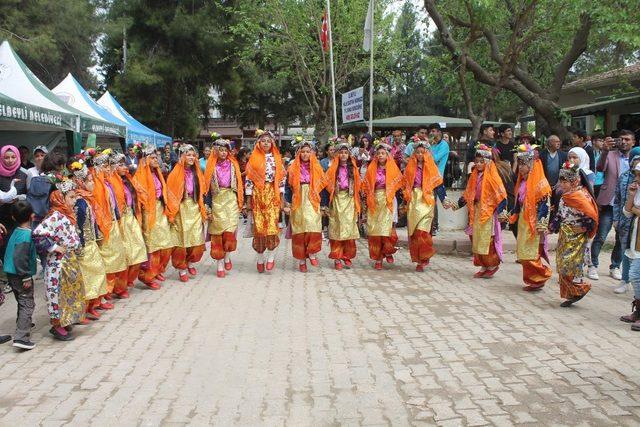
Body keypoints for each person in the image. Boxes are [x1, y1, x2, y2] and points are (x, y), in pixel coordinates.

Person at [33, 177, 86, 341]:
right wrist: (55, 248)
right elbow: (38, 234)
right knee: (57, 292)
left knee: (70, 291)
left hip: (69, 261)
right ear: (60, 198)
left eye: (74, 196)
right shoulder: (55, 217)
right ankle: (57, 325)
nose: (74, 200)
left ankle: (66, 319)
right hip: (58, 263)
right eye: (71, 197)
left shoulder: (67, 214)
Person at [452, 144, 507, 278]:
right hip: (476, 210)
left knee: (487, 239)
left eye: (481, 161)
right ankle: (483, 265)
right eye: (476, 161)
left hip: (488, 212)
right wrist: (457, 204)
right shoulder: (474, 176)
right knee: (476, 239)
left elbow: (501, 195)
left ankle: (492, 264)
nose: (478, 164)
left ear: (488, 162)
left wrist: (501, 211)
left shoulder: (493, 176)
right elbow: (468, 193)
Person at [548, 162, 598, 307]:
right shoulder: (565, 196)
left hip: (576, 237)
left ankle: (578, 290)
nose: (562, 184)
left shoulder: (581, 196)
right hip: (565, 235)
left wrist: (583, 228)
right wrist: (551, 228)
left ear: (574, 181)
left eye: (565, 182)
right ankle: (570, 294)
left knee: (571, 265)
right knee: (562, 263)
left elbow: (591, 217)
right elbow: (559, 214)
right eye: (561, 181)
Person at [589, 130, 634, 281]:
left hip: (626, 205)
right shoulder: (610, 154)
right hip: (609, 202)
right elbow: (600, 167)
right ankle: (593, 265)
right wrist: (605, 151)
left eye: (627, 139)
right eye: (621, 139)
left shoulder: (636, 159)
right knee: (601, 236)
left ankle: (615, 266)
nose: (624, 142)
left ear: (633, 142)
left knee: (621, 239)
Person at [507, 144, 552, 291]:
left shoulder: (541, 183)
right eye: (519, 164)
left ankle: (539, 277)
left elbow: (545, 204)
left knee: (531, 252)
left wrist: (541, 222)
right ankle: (532, 279)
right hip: (523, 221)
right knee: (523, 252)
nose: (520, 167)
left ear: (531, 164)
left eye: (524, 164)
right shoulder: (522, 182)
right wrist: (513, 214)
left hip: (533, 222)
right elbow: (519, 201)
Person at [69, 160, 108, 320]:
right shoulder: (78, 202)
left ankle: (93, 305)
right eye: (89, 181)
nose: (93, 183)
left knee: (97, 273)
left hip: (91, 242)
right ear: (80, 182)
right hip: (83, 245)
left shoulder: (87, 199)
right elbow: (77, 226)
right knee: (85, 278)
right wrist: (80, 245)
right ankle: (81, 311)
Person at [245, 130, 286, 272]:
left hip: (273, 194)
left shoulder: (277, 159)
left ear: (272, 143)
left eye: (268, 141)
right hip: (258, 195)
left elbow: (281, 179)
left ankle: (271, 257)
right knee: (259, 229)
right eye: (263, 141)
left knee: (272, 228)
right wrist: (248, 199)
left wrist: (281, 198)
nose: (266, 143)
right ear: (258, 143)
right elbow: (249, 179)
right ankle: (260, 257)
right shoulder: (253, 158)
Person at [402, 142, 447, 271]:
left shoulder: (432, 168)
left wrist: (444, 199)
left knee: (423, 231)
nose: (420, 155)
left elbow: (438, 185)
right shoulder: (410, 168)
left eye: (422, 152)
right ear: (414, 153)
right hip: (414, 201)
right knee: (415, 233)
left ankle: (424, 257)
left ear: (427, 153)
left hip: (427, 200)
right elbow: (404, 185)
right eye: (418, 152)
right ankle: (418, 260)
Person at [203, 139, 244, 278]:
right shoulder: (210, 166)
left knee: (229, 232)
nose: (223, 153)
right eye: (221, 150)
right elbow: (206, 188)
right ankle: (220, 264)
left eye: (225, 150)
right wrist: (207, 205)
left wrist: (241, 202)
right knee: (217, 234)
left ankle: (227, 255)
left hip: (231, 200)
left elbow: (239, 184)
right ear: (216, 151)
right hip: (217, 200)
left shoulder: (234, 165)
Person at [166, 144, 207, 282]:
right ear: (182, 156)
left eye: (193, 155)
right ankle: (181, 268)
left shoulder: (197, 172)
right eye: (188, 155)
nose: (191, 157)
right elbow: (170, 195)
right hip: (181, 210)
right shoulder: (174, 174)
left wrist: (203, 208)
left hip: (194, 208)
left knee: (196, 239)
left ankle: (190, 262)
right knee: (181, 241)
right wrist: (172, 213)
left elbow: (202, 192)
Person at [284, 140, 326, 272]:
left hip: (313, 199)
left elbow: (323, 187)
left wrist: (324, 205)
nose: (305, 154)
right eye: (303, 151)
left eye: (308, 151)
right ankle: (302, 260)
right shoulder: (292, 168)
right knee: (300, 229)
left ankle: (312, 252)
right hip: (298, 200)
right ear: (299, 153)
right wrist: (287, 204)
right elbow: (288, 187)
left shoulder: (318, 167)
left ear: (312, 153)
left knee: (313, 225)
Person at [136, 145, 174, 289]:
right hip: (148, 213)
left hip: (160, 210)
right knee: (151, 245)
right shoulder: (139, 175)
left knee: (164, 243)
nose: (156, 160)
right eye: (152, 158)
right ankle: (148, 276)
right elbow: (140, 197)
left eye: (156, 157)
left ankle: (158, 269)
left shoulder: (157, 172)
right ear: (145, 160)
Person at [93, 150, 127, 306]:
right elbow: (98, 207)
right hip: (104, 226)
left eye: (109, 167)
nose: (109, 169)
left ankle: (111, 290)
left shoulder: (108, 182)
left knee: (116, 258)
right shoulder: (97, 185)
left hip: (112, 223)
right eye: (105, 167)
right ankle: (104, 293)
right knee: (108, 260)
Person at [362, 143, 403, 270]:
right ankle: (378, 258)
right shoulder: (371, 168)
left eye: (383, 153)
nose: (380, 155)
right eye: (378, 153)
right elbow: (366, 186)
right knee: (375, 231)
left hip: (388, 201)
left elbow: (399, 184)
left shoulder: (393, 168)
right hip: (374, 201)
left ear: (387, 155)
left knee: (388, 229)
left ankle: (388, 251)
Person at [2, 201, 37, 350]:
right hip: (20, 275)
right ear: (32, 216)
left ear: (13, 217)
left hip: (11, 273)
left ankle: (23, 322)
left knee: (21, 301)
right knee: (27, 303)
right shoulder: (26, 236)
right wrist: (26, 277)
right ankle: (21, 337)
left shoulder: (15, 232)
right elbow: (20, 258)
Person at [113, 153, 148, 293]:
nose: (124, 167)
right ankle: (120, 286)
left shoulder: (128, 180)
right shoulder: (112, 182)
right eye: (120, 165)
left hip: (130, 218)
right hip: (120, 221)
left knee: (139, 248)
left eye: (124, 164)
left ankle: (128, 280)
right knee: (125, 252)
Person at [324, 142, 361, 270]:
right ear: (337, 154)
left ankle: (347, 256)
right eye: (341, 152)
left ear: (349, 154)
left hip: (350, 200)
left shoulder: (354, 168)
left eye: (346, 153)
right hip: (336, 199)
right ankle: (337, 257)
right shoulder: (333, 168)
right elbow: (326, 183)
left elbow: (358, 186)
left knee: (349, 228)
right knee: (337, 228)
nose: (343, 155)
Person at [614, 148, 640, 295]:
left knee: (636, 272)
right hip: (628, 225)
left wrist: (634, 210)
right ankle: (625, 280)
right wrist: (617, 218)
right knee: (626, 251)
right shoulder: (624, 177)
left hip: (636, 227)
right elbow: (623, 206)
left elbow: (632, 210)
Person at [619, 163, 640, 330]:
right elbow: (627, 211)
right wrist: (632, 195)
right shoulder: (637, 190)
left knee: (635, 274)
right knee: (635, 274)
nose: (637, 178)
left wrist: (635, 209)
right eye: (636, 174)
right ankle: (638, 311)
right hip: (636, 235)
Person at [0, 145, 28, 257]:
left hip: (20, 220)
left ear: (18, 157)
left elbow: (30, 196)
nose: (10, 160)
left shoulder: (24, 174)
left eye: (13, 157)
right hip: (2, 221)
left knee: (19, 253)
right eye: (6, 157)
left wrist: (21, 198)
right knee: (5, 250)